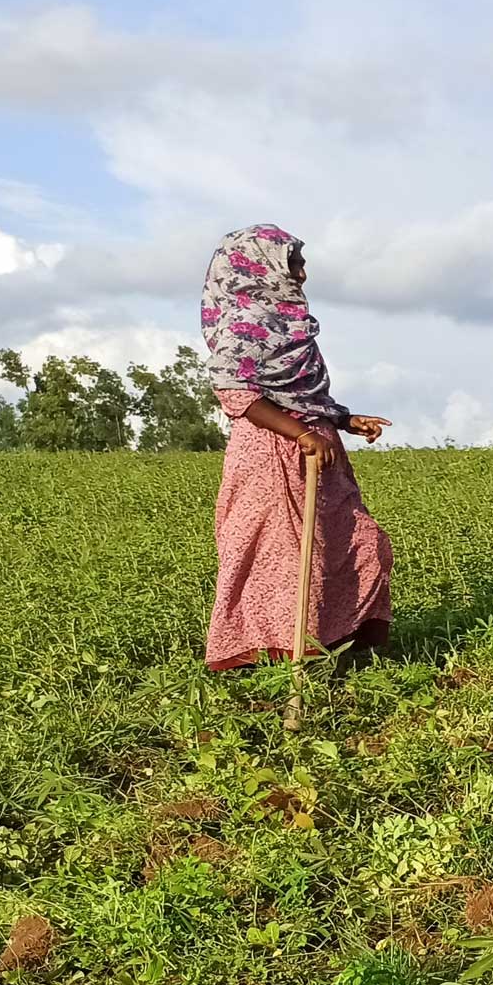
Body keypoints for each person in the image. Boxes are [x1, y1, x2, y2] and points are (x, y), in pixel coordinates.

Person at [200, 225, 394, 672]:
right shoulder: (242, 326)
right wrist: (300, 434)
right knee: (286, 562)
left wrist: (342, 419)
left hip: (318, 453)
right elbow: (235, 390)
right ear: (258, 268)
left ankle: (338, 650)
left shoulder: (292, 325)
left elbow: (304, 395)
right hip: (271, 456)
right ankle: (282, 663)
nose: (303, 274)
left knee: (362, 544)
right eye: (294, 264)